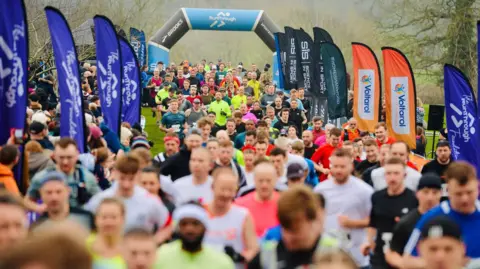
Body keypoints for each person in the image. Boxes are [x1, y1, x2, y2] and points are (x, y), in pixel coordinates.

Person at [404, 161, 480, 266]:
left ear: (477, 187)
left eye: (469, 192)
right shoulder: (431, 217)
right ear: (448, 190)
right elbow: (407, 260)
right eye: (458, 193)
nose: (464, 199)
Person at [84, 155, 171, 244]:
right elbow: (84, 226)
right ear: (115, 173)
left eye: (131, 179)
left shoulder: (149, 200)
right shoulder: (100, 199)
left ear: (138, 175)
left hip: (138, 254)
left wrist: (151, 243)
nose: (126, 184)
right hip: (109, 254)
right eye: (122, 178)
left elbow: (168, 225)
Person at [248, 185, 340, 269]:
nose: (288, 237)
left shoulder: (336, 253)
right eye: (285, 228)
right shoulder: (267, 255)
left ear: (313, 221)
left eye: (295, 230)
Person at [314, 148, 374, 269]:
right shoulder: (320, 190)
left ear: (351, 166)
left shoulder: (364, 190)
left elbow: (375, 220)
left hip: (357, 256)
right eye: (335, 166)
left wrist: (353, 223)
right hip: (328, 258)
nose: (338, 170)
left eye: (342, 166)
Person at [361, 157, 418, 269]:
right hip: (379, 257)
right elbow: (372, 224)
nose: (392, 178)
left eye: (396, 173)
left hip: (403, 258)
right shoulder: (377, 197)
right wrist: (369, 243)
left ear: (404, 175)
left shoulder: (414, 199)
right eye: (388, 173)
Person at [204, 168, 258, 268]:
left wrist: (240, 257)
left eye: (231, 190)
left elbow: (253, 249)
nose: (226, 194)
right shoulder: (200, 213)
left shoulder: (243, 215)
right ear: (212, 187)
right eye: (222, 189)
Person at [155, 202, 235, 269]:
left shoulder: (222, 262)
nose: (189, 229)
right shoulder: (158, 257)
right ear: (177, 228)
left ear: (205, 227)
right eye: (184, 224)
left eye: (195, 224)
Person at [26, 138, 100, 210]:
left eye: (69, 157)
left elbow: (100, 202)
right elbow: (27, 202)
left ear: (77, 155)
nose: (65, 162)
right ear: (54, 156)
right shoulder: (41, 178)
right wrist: (39, 208)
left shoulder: (87, 177)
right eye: (61, 157)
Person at [385, 174, 442, 268]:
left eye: (435, 192)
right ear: (417, 193)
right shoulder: (406, 223)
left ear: (441, 193)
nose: (430, 197)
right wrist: (408, 265)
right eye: (426, 192)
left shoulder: (449, 219)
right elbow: (392, 253)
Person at [235, 162, 281, 237]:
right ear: (254, 180)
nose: (264, 185)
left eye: (268, 180)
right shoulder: (240, 205)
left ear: (275, 180)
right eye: (260, 180)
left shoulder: (284, 204)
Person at [87, 198, 126, 268]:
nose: (108, 222)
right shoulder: (82, 246)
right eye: (104, 217)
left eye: (114, 217)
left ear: (123, 219)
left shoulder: (132, 249)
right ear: (96, 219)